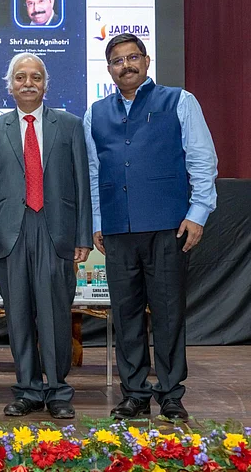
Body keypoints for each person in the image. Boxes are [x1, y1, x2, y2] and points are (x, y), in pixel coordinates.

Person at [84, 33, 218, 422]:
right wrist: (97, 221)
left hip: (168, 227)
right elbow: (95, 173)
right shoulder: (96, 112)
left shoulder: (179, 101)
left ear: (146, 60)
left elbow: (202, 160)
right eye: (117, 61)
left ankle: (171, 393)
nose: (125, 65)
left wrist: (198, 213)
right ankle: (135, 393)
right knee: (124, 315)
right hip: (117, 230)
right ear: (108, 69)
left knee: (168, 313)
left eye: (132, 58)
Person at [0, 52, 92, 419]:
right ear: (10, 85)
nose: (28, 83)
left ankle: (57, 390)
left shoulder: (69, 125)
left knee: (55, 313)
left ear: (46, 84)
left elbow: (82, 185)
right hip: (9, 232)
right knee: (19, 315)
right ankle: (27, 388)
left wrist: (83, 236)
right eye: (21, 77)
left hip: (55, 230)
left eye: (36, 77)